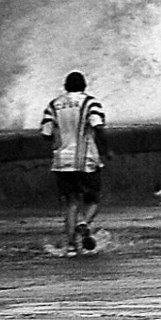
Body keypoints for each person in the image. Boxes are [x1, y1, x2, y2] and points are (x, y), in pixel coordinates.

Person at [41, 71, 108, 254]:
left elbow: (46, 133)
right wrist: (107, 149)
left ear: (65, 86)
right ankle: (84, 223)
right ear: (84, 86)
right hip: (86, 159)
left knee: (71, 203)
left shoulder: (54, 105)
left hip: (62, 161)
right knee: (94, 199)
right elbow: (98, 126)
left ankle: (71, 246)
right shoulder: (90, 103)